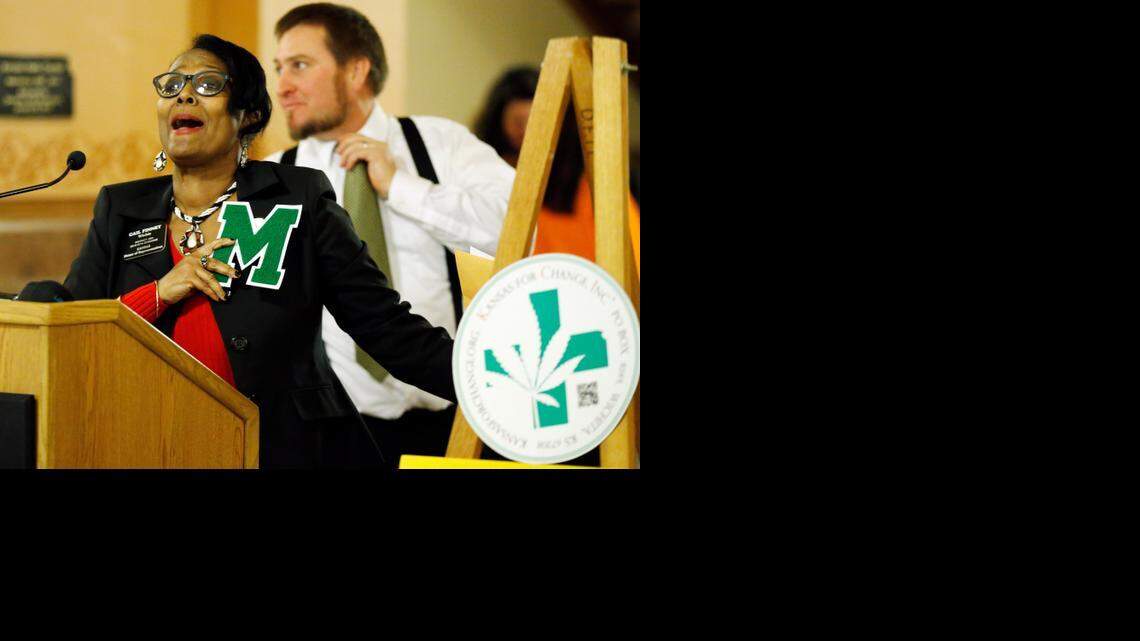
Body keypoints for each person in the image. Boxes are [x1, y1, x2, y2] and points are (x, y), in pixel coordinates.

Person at [63, 34, 455, 469]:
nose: (185, 94)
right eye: (172, 84)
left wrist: (490, 381)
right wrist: (159, 293)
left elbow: (385, 326)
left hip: (281, 448)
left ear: (247, 115)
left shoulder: (295, 199)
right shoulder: (121, 208)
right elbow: (74, 330)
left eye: (209, 85)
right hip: (152, 443)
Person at [265, 3, 514, 469]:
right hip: (332, 438)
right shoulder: (274, 178)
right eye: (279, 68)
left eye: (299, 65)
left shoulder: (442, 143)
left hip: (456, 421)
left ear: (356, 69)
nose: (282, 86)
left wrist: (403, 187)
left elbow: (519, 228)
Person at [473, 67, 641, 275]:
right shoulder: (483, 175)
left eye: (534, 122)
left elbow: (631, 258)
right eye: (518, 122)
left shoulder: (591, 186)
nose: (526, 132)